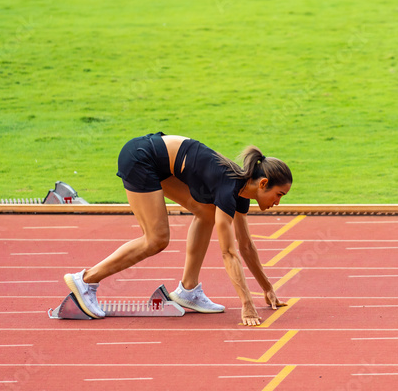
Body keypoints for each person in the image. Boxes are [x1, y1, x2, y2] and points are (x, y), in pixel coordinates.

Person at [63, 132, 292, 326]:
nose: (278, 202)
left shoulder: (242, 191)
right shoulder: (228, 188)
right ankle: (86, 280)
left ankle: (188, 291)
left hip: (162, 164)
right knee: (157, 239)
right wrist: (247, 304)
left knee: (206, 213)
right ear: (263, 184)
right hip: (141, 158)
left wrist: (267, 289)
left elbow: (246, 245)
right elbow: (229, 253)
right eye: (278, 194)